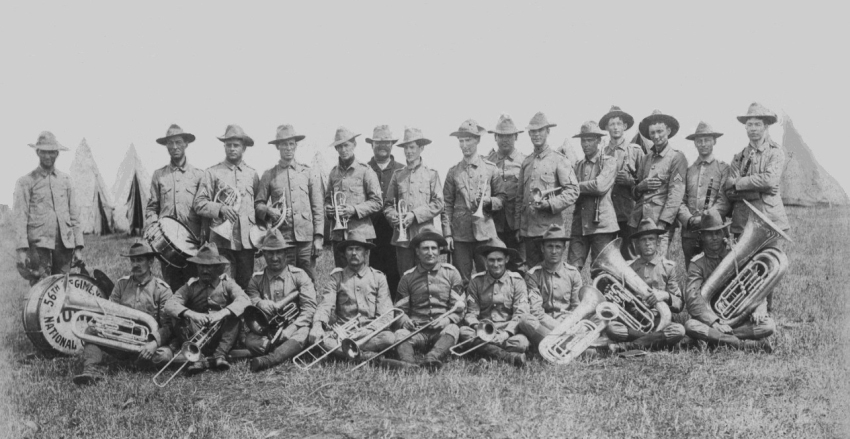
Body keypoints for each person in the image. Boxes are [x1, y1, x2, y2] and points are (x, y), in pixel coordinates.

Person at [73, 242, 174, 385]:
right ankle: (91, 370)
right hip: (120, 340)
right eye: (133, 260)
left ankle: (135, 363)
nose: (135, 264)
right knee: (91, 330)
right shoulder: (121, 285)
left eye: (140, 260)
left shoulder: (162, 290)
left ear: (151, 262)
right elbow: (109, 311)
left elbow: (169, 326)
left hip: (147, 345)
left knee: (165, 356)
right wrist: (100, 323)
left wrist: (153, 343)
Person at [683, 210, 775, 352]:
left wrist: (759, 309)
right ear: (702, 237)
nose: (714, 237)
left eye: (717, 233)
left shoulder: (735, 256)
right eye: (709, 234)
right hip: (711, 320)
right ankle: (741, 344)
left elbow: (756, 287)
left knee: (768, 325)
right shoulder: (697, 264)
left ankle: (715, 339)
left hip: (738, 319)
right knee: (690, 325)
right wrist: (715, 323)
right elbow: (692, 299)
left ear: (723, 234)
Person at [165, 243, 251, 374]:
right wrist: (193, 315)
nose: (204, 270)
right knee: (178, 316)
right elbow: (169, 305)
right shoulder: (190, 286)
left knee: (235, 314)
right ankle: (197, 358)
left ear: (217, 267)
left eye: (209, 267)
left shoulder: (227, 283)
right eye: (201, 266)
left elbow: (245, 300)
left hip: (223, 336)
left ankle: (219, 355)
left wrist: (222, 313)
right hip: (196, 335)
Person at [310, 231, 395, 362]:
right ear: (344, 254)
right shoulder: (337, 278)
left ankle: (343, 353)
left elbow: (386, 315)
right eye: (350, 249)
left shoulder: (378, 277)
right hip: (344, 334)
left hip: (371, 334)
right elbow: (326, 304)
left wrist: (368, 330)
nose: (354, 253)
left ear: (366, 252)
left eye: (358, 249)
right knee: (322, 339)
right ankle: (365, 356)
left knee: (389, 338)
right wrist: (317, 325)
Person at [387, 228, 465, 370]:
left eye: (434, 248)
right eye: (425, 249)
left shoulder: (452, 273)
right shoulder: (407, 277)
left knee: (453, 329)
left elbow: (460, 308)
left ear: (440, 250)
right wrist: (405, 321)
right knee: (399, 334)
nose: (430, 252)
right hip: (417, 331)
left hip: (441, 331)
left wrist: (446, 320)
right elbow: (399, 310)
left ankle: (432, 358)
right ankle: (408, 363)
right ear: (417, 252)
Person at [255, 124, 324, 281]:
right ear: (278, 147)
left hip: (306, 240)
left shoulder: (307, 172)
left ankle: (310, 306)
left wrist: (318, 238)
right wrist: (268, 210)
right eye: (284, 144)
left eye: (291, 144)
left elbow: (317, 207)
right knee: (285, 281)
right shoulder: (269, 175)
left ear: (296, 146)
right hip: (282, 240)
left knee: (309, 280)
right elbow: (258, 204)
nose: (288, 148)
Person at [194, 124, 260, 289]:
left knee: (245, 285)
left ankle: (242, 314)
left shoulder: (252, 174)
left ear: (244, 148)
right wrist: (221, 209)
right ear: (224, 146)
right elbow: (199, 203)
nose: (232, 149)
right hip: (221, 242)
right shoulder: (212, 173)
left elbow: (258, 207)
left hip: (246, 242)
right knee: (219, 286)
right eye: (228, 145)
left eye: (236, 145)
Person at [13, 131, 84, 285]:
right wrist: (21, 250)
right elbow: (20, 217)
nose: (48, 156)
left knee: (64, 286)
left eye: (51, 152)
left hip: (65, 244)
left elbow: (74, 215)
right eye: (44, 152)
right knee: (41, 286)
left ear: (57, 153)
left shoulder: (66, 181)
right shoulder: (26, 182)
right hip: (39, 245)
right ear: (37, 152)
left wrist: (78, 247)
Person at [606, 219, 686, 352]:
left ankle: (629, 346)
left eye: (651, 239)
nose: (648, 243)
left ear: (658, 242)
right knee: (612, 328)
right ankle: (654, 341)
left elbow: (679, 305)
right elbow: (621, 304)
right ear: (637, 244)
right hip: (636, 321)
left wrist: (665, 295)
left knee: (679, 330)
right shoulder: (628, 268)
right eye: (643, 240)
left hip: (660, 321)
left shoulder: (668, 267)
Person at [244, 229, 317, 372]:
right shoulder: (256, 279)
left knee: (304, 334)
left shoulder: (299, 275)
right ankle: (284, 351)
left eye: (278, 253)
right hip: (268, 330)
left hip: (295, 326)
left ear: (286, 254)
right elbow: (250, 298)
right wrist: (259, 303)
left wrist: (293, 327)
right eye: (270, 253)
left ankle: (268, 359)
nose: (275, 257)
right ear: (264, 254)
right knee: (250, 340)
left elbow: (309, 308)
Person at [442, 119, 506, 282]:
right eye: (461, 141)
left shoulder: (491, 168)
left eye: (468, 140)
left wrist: (489, 201)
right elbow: (447, 205)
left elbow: (502, 198)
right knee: (460, 279)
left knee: (489, 277)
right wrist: (448, 234)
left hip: (485, 233)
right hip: (460, 235)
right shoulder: (453, 172)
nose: (464, 145)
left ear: (477, 140)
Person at [515, 112, 579, 268]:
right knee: (533, 275)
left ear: (548, 132)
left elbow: (573, 191)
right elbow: (519, 198)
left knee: (553, 277)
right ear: (529, 134)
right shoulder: (526, 162)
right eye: (533, 132)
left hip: (551, 233)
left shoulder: (559, 159)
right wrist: (519, 227)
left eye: (540, 130)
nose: (536, 135)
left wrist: (550, 204)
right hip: (530, 233)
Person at [384, 127, 444, 290]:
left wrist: (414, 215)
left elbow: (439, 203)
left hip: (424, 236)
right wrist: (394, 216)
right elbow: (388, 205)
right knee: (405, 278)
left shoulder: (431, 175)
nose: (408, 152)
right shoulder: (398, 175)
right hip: (403, 240)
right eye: (406, 148)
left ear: (421, 148)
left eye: (412, 147)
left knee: (428, 278)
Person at [146, 124, 205, 291]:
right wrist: (152, 226)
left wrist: (203, 238)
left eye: (178, 142)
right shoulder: (159, 175)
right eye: (170, 143)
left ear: (186, 144)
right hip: (167, 245)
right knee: (172, 287)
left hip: (193, 244)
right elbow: (152, 207)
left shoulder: (198, 175)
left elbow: (204, 209)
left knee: (195, 287)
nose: (174, 147)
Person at [458, 238, 529, 367]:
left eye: (499, 260)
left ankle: (484, 354)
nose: (495, 264)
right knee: (463, 332)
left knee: (521, 343)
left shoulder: (517, 281)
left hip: (506, 332)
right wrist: (479, 329)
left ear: (506, 260)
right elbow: (471, 313)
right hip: (482, 331)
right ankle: (508, 357)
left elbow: (520, 313)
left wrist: (506, 334)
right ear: (485, 261)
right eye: (491, 260)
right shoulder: (476, 281)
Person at [725, 102, 790, 240]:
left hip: (770, 220)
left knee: (770, 260)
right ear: (745, 127)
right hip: (743, 222)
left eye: (757, 124)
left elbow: (769, 181)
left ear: (765, 127)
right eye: (750, 125)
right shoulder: (739, 158)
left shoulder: (775, 153)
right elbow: (730, 191)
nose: (753, 129)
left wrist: (738, 184)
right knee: (742, 261)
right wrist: (760, 191)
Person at [630, 110, 688, 259]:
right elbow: (635, 192)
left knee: (658, 266)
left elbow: (676, 195)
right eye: (652, 132)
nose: (656, 136)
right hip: (639, 222)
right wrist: (640, 187)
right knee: (639, 266)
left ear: (668, 131)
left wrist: (662, 225)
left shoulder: (677, 157)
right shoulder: (645, 159)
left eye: (660, 131)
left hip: (659, 224)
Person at [516, 224, 582, 350]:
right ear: (542, 248)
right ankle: (567, 345)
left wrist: (568, 324)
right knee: (525, 320)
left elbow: (577, 308)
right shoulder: (533, 275)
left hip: (568, 323)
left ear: (564, 248)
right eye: (549, 246)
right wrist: (560, 329)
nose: (553, 251)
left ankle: (552, 345)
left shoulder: (573, 273)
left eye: (558, 247)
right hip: (543, 326)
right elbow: (537, 312)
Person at [324, 127, 383, 268]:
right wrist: (329, 210)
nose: (343, 149)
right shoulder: (333, 173)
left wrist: (354, 210)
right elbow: (327, 200)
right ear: (336, 149)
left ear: (354, 145)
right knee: (342, 278)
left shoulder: (365, 170)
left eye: (346, 145)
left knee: (362, 279)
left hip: (360, 235)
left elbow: (377, 202)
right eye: (340, 146)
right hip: (339, 236)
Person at [677, 122, 732, 268]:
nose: (703, 144)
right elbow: (680, 200)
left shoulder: (723, 168)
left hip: (714, 232)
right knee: (692, 270)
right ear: (694, 143)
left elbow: (724, 201)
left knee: (717, 272)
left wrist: (705, 219)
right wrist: (689, 220)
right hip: (690, 233)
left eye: (707, 140)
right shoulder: (688, 170)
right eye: (699, 141)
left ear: (714, 141)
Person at [567, 121, 618, 271]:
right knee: (572, 269)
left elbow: (599, 186)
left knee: (601, 271)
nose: (586, 144)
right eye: (583, 140)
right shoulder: (578, 165)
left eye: (590, 140)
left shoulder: (609, 162)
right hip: (580, 226)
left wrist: (575, 187)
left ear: (598, 141)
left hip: (602, 227)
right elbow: (571, 194)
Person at [366, 125, 406, 298]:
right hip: (371, 232)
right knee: (373, 274)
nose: (382, 146)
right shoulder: (364, 169)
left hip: (396, 231)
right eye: (378, 142)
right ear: (371, 145)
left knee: (396, 271)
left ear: (392, 145)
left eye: (386, 142)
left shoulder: (402, 170)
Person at [599, 106, 643, 259]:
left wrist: (631, 181)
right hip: (607, 215)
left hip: (628, 214)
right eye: (612, 124)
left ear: (625, 126)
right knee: (608, 258)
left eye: (619, 123)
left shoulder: (635, 151)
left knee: (630, 256)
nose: (615, 127)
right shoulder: (601, 153)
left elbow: (644, 183)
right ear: (606, 127)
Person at [485, 114, 527, 271]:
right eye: (501, 136)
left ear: (516, 136)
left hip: (516, 225)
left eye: (509, 136)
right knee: (495, 266)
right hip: (494, 224)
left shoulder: (525, 161)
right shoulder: (487, 162)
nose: (505, 140)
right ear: (495, 137)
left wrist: (521, 226)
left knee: (519, 265)